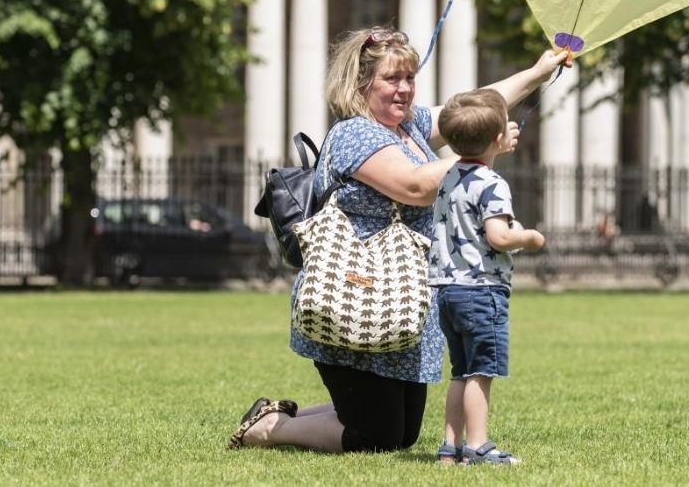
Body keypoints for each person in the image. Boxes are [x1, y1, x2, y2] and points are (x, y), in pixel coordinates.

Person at [229, 26, 567, 453]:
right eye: (393, 78)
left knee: (400, 433)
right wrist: (482, 154)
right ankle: (268, 430)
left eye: (410, 78)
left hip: (398, 297)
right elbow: (413, 187)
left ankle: (279, 414)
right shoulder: (355, 133)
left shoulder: (407, 126)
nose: (404, 89)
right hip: (356, 292)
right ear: (361, 82)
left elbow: (472, 109)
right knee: (377, 436)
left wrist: (538, 72)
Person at [428, 89, 545, 465]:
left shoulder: (447, 177)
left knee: (460, 372)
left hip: (447, 291)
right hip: (482, 291)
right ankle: (478, 446)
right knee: (482, 372)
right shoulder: (492, 184)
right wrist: (527, 237)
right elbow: (498, 237)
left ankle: (450, 446)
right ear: (499, 139)